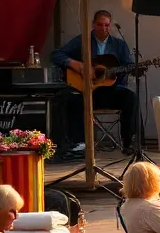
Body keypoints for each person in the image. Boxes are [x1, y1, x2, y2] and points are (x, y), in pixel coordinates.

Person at [50, 9, 142, 157]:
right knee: (70, 100)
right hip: (86, 91)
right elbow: (56, 55)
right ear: (93, 25)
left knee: (131, 98)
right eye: (100, 25)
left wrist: (126, 70)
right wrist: (77, 65)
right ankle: (78, 143)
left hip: (109, 90)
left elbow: (128, 65)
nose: (104, 28)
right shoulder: (82, 41)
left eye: (107, 25)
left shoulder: (119, 45)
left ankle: (128, 141)